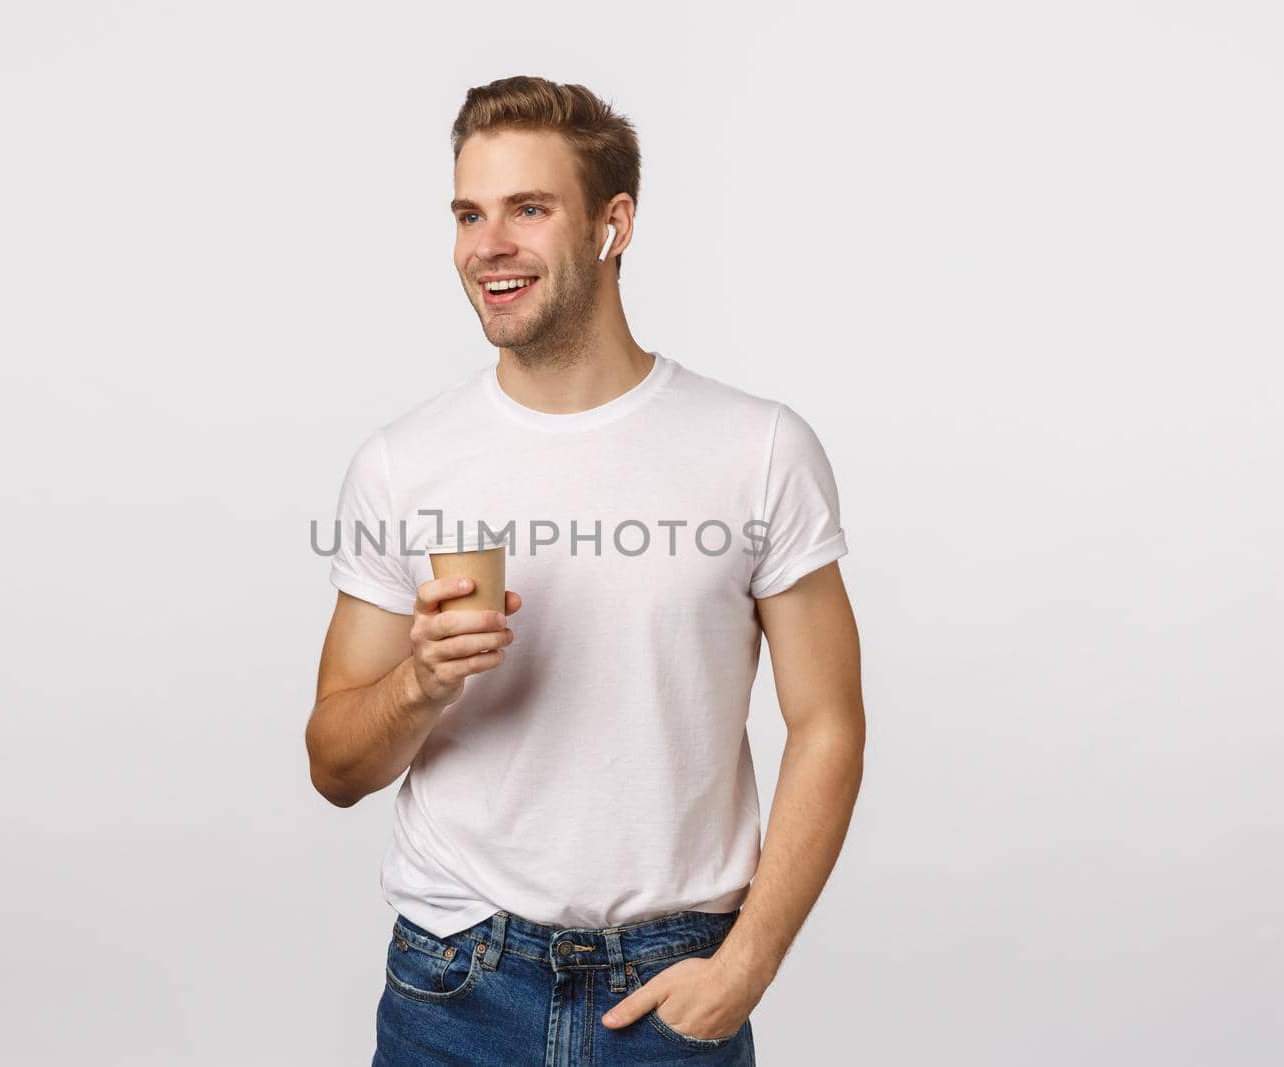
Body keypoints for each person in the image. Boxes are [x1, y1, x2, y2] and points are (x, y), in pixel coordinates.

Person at [306, 75, 865, 1066]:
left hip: (671, 981)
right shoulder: (404, 462)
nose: (488, 245)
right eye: (469, 213)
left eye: (528, 208)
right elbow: (334, 765)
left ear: (614, 225)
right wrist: (420, 680)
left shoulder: (757, 448)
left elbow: (827, 719)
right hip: (455, 986)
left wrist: (745, 965)